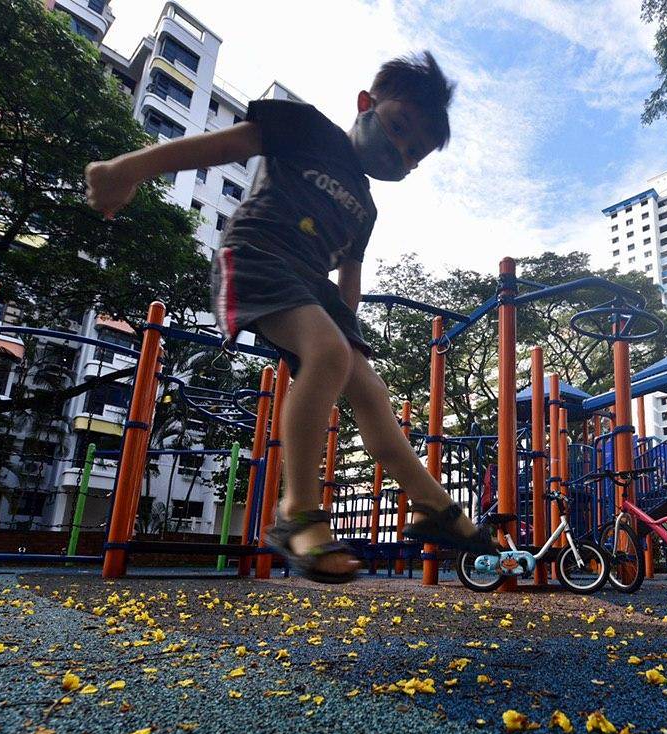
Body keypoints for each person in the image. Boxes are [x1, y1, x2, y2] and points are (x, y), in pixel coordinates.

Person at [85, 52, 493, 583]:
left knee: (370, 392)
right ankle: (297, 511)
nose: (400, 150)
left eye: (413, 154)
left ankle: (430, 504)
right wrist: (128, 167)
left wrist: (352, 335)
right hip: (258, 255)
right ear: (365, 104)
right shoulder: (306, 128)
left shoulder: (367, 208)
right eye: (397, 129)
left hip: (315, 289)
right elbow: (223, 146)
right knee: (327, 354)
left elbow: (350, 273)